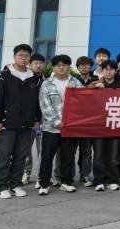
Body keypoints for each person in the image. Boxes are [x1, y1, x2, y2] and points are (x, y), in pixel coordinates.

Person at [0, 44, 42, 199]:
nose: (23, 58)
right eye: (20, 55)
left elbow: (38, 101)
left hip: (26, 125)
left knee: (21, 157)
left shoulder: (34, 78)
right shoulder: (4, 76)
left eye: (26, 56)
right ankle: (1, 187)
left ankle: (16, 184)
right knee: (4, 156)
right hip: (8, 123)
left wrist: (36, 120)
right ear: (14, 57)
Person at [37, 55, 83, 195]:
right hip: (51, 128)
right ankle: (44, 184)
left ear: (69, 67)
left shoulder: (76, 82)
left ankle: (66, 182)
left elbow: (85, 100)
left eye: (64, 65)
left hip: (69, 127)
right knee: (47, 157)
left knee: (67, 156)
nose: (61, 67)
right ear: (53, 67)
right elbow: (45, 105)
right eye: (58, 65)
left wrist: (76, 92)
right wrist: (56, 121)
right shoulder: (47, 84)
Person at [91, 60, 120, 191]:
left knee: (113, 156)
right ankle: (99, 180)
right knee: (98, 155)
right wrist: (95, 86)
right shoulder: (95, 83)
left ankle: (112, 180)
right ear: (102, 71)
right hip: (99, 126)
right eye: (106, 69)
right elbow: (85, 92)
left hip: (115, 125)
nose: (108, 72)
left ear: (115, 71)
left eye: (111, 69)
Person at [23, 53, 46, 186]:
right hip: (28, 120)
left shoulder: (47, 81)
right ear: (30, 65)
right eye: (35, 63)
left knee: (41, 149)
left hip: (44, 120)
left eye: (41, 63)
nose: (38, 65)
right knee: (26, 148)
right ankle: (26, 173)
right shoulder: (26, 80)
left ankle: (40, 176)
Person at [74, 55, 96, 186]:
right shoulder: (72, 80)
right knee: (71, 150)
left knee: (87, 151)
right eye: (81, 65)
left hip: (90, 122)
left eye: (87, 65)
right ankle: (68, 175)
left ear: (91, 67)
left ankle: (85, 175)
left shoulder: (97, 81)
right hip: (74, 120)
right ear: (77, 67)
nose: (84, 67)